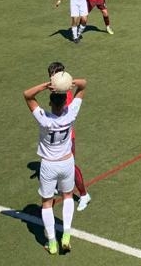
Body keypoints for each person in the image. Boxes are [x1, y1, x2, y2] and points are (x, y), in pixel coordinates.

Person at [24, 76, 88, 255]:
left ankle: (52, 242)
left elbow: (27, 95)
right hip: (67, 162)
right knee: (68, 196)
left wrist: (46, 85)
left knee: (46, 202)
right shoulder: (71, 113)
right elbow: (83, 85)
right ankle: (66, 234)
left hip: (49, 165)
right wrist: (68, 83)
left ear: (50, 103)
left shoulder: (44, 119)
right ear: (65, 102)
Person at [47, 62, 91, 212]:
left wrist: (68, 82)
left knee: (70, 166)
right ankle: (58, 185)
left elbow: (82, 84)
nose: (52, 80)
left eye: (54, 77)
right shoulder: (56, 91)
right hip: (56, 135)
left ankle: (84, 195)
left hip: (67, 136)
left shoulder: (66, 93)